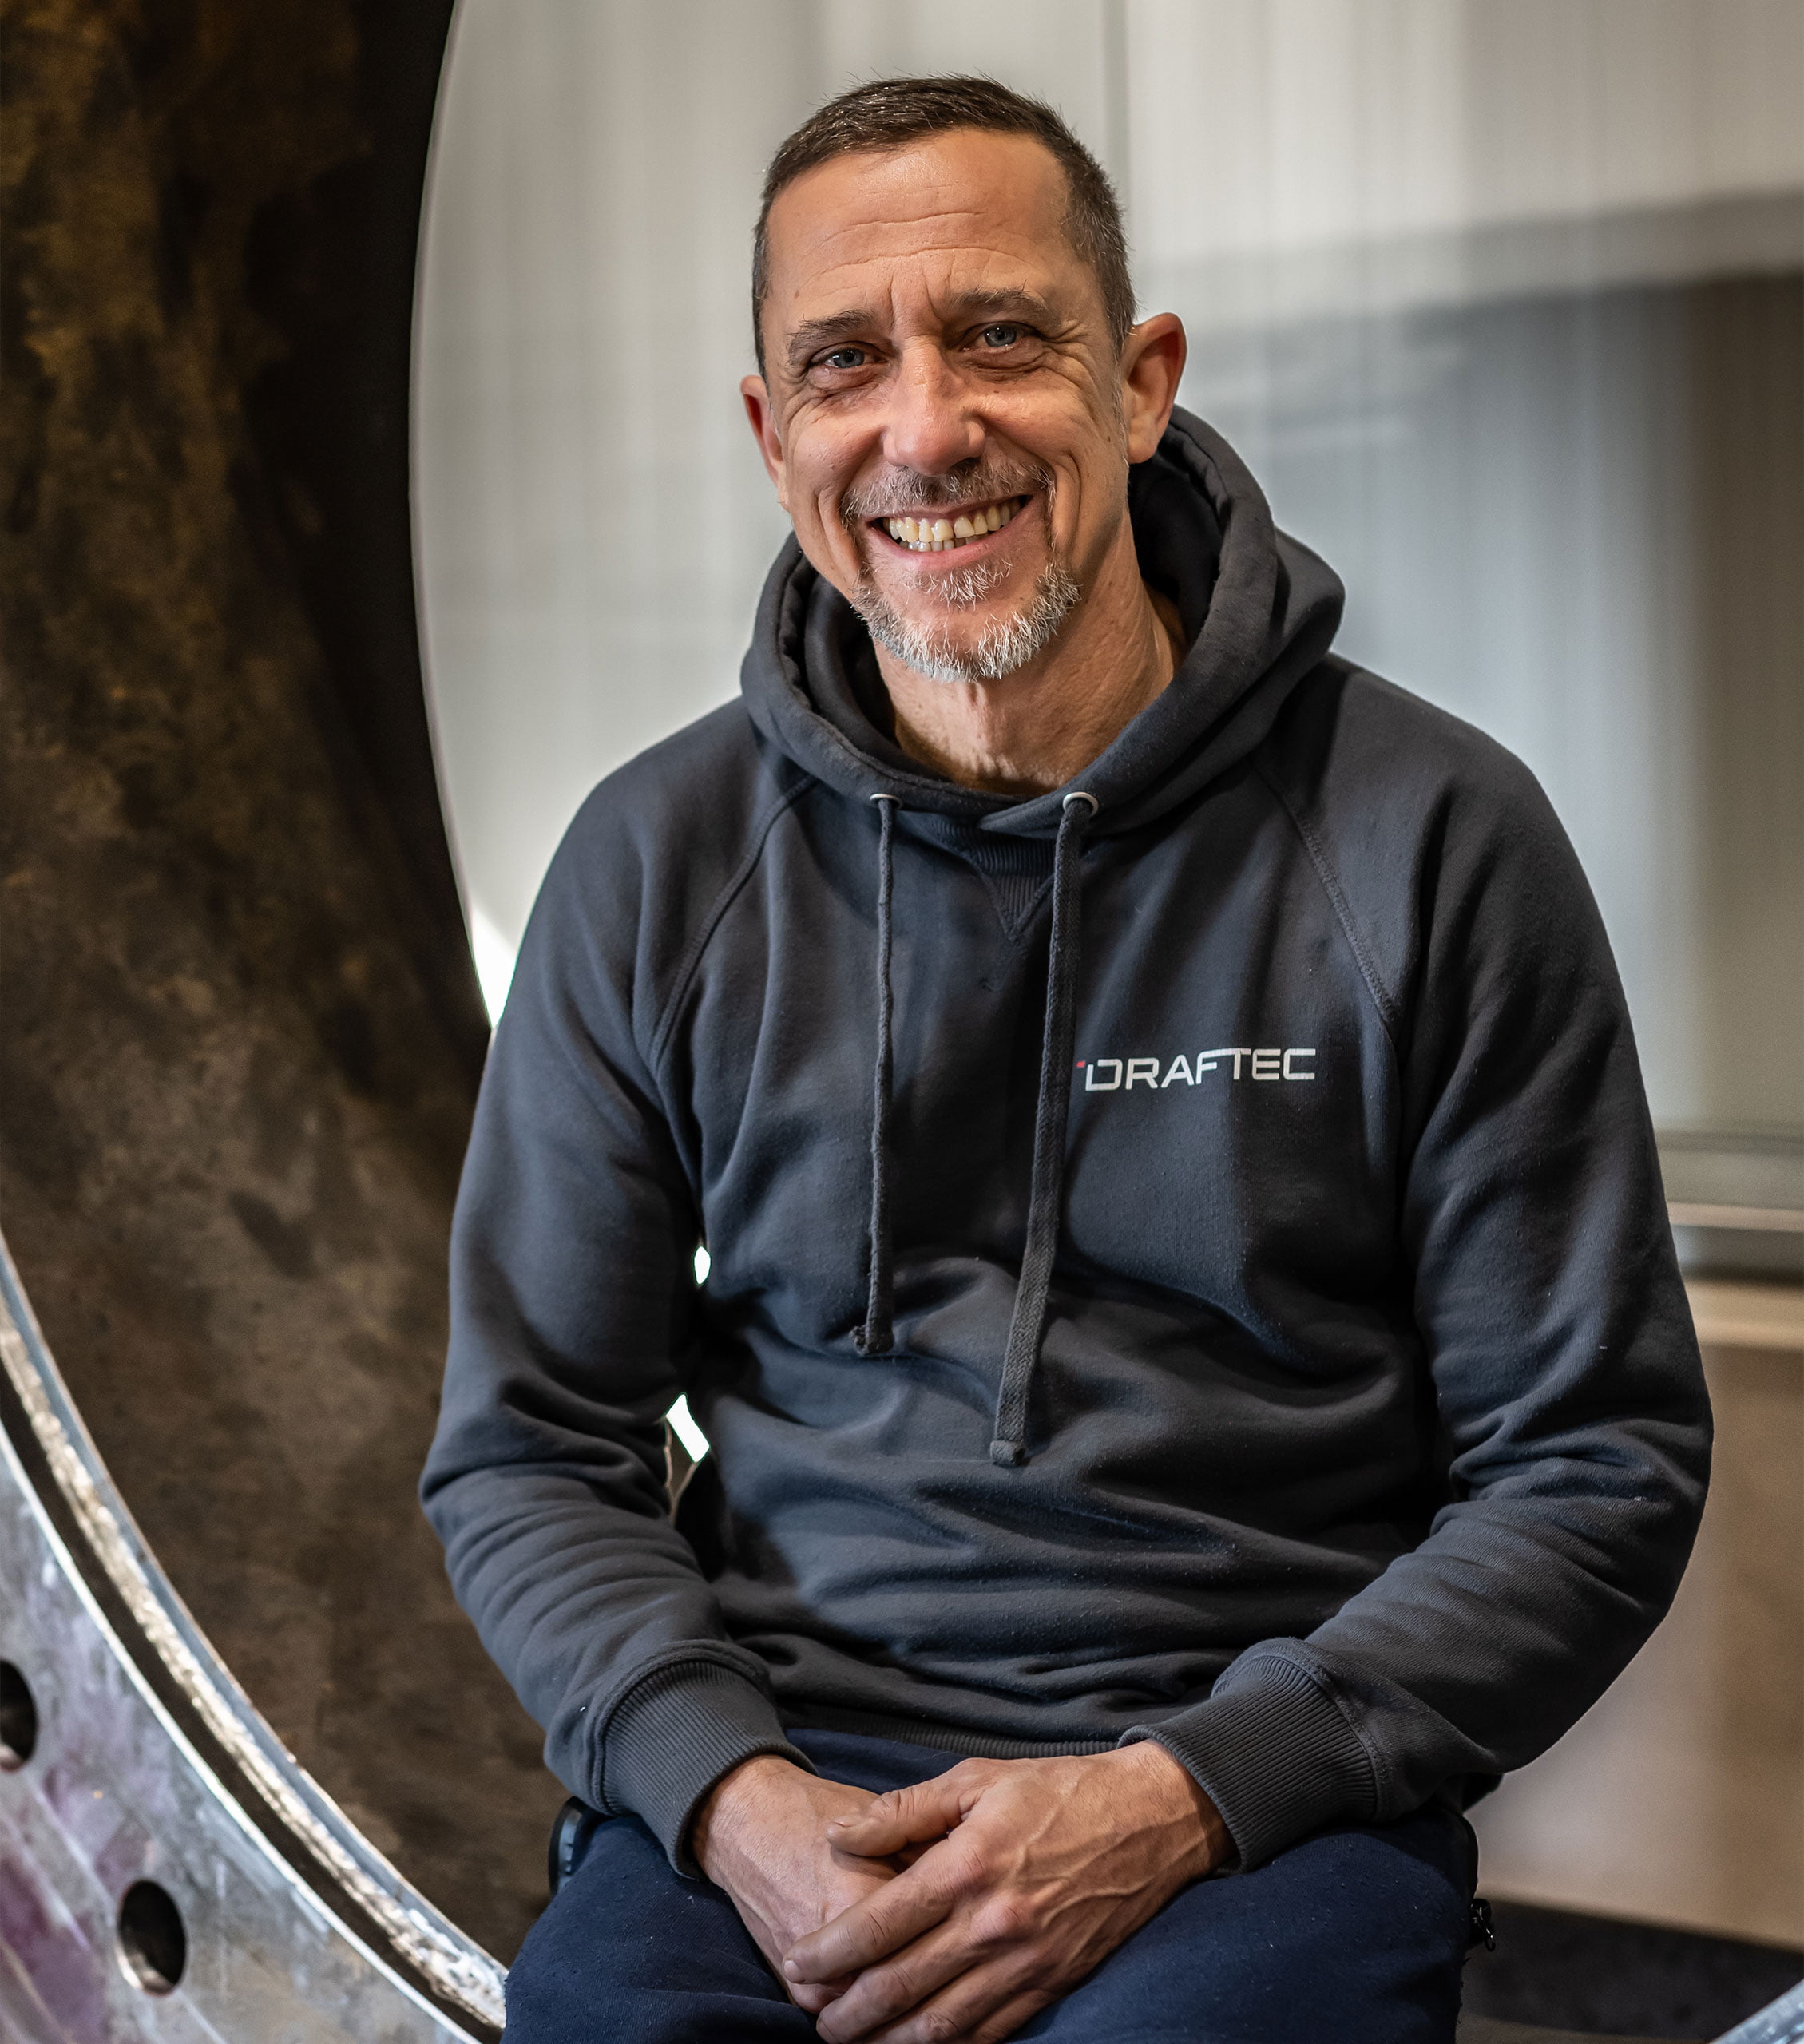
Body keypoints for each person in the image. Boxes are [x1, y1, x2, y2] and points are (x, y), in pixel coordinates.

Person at [421, 76, 1710, 2044]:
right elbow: (528, 1445)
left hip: (1252, 1789)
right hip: (781, 1782)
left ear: (1139, 382)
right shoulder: (654, 863)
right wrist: (728, 1796)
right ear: (771, 437)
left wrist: (1183, 1792)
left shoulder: (1430, 836)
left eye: (999, 336)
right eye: (845, 363)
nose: (924, 427)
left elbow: (1593, 1461)